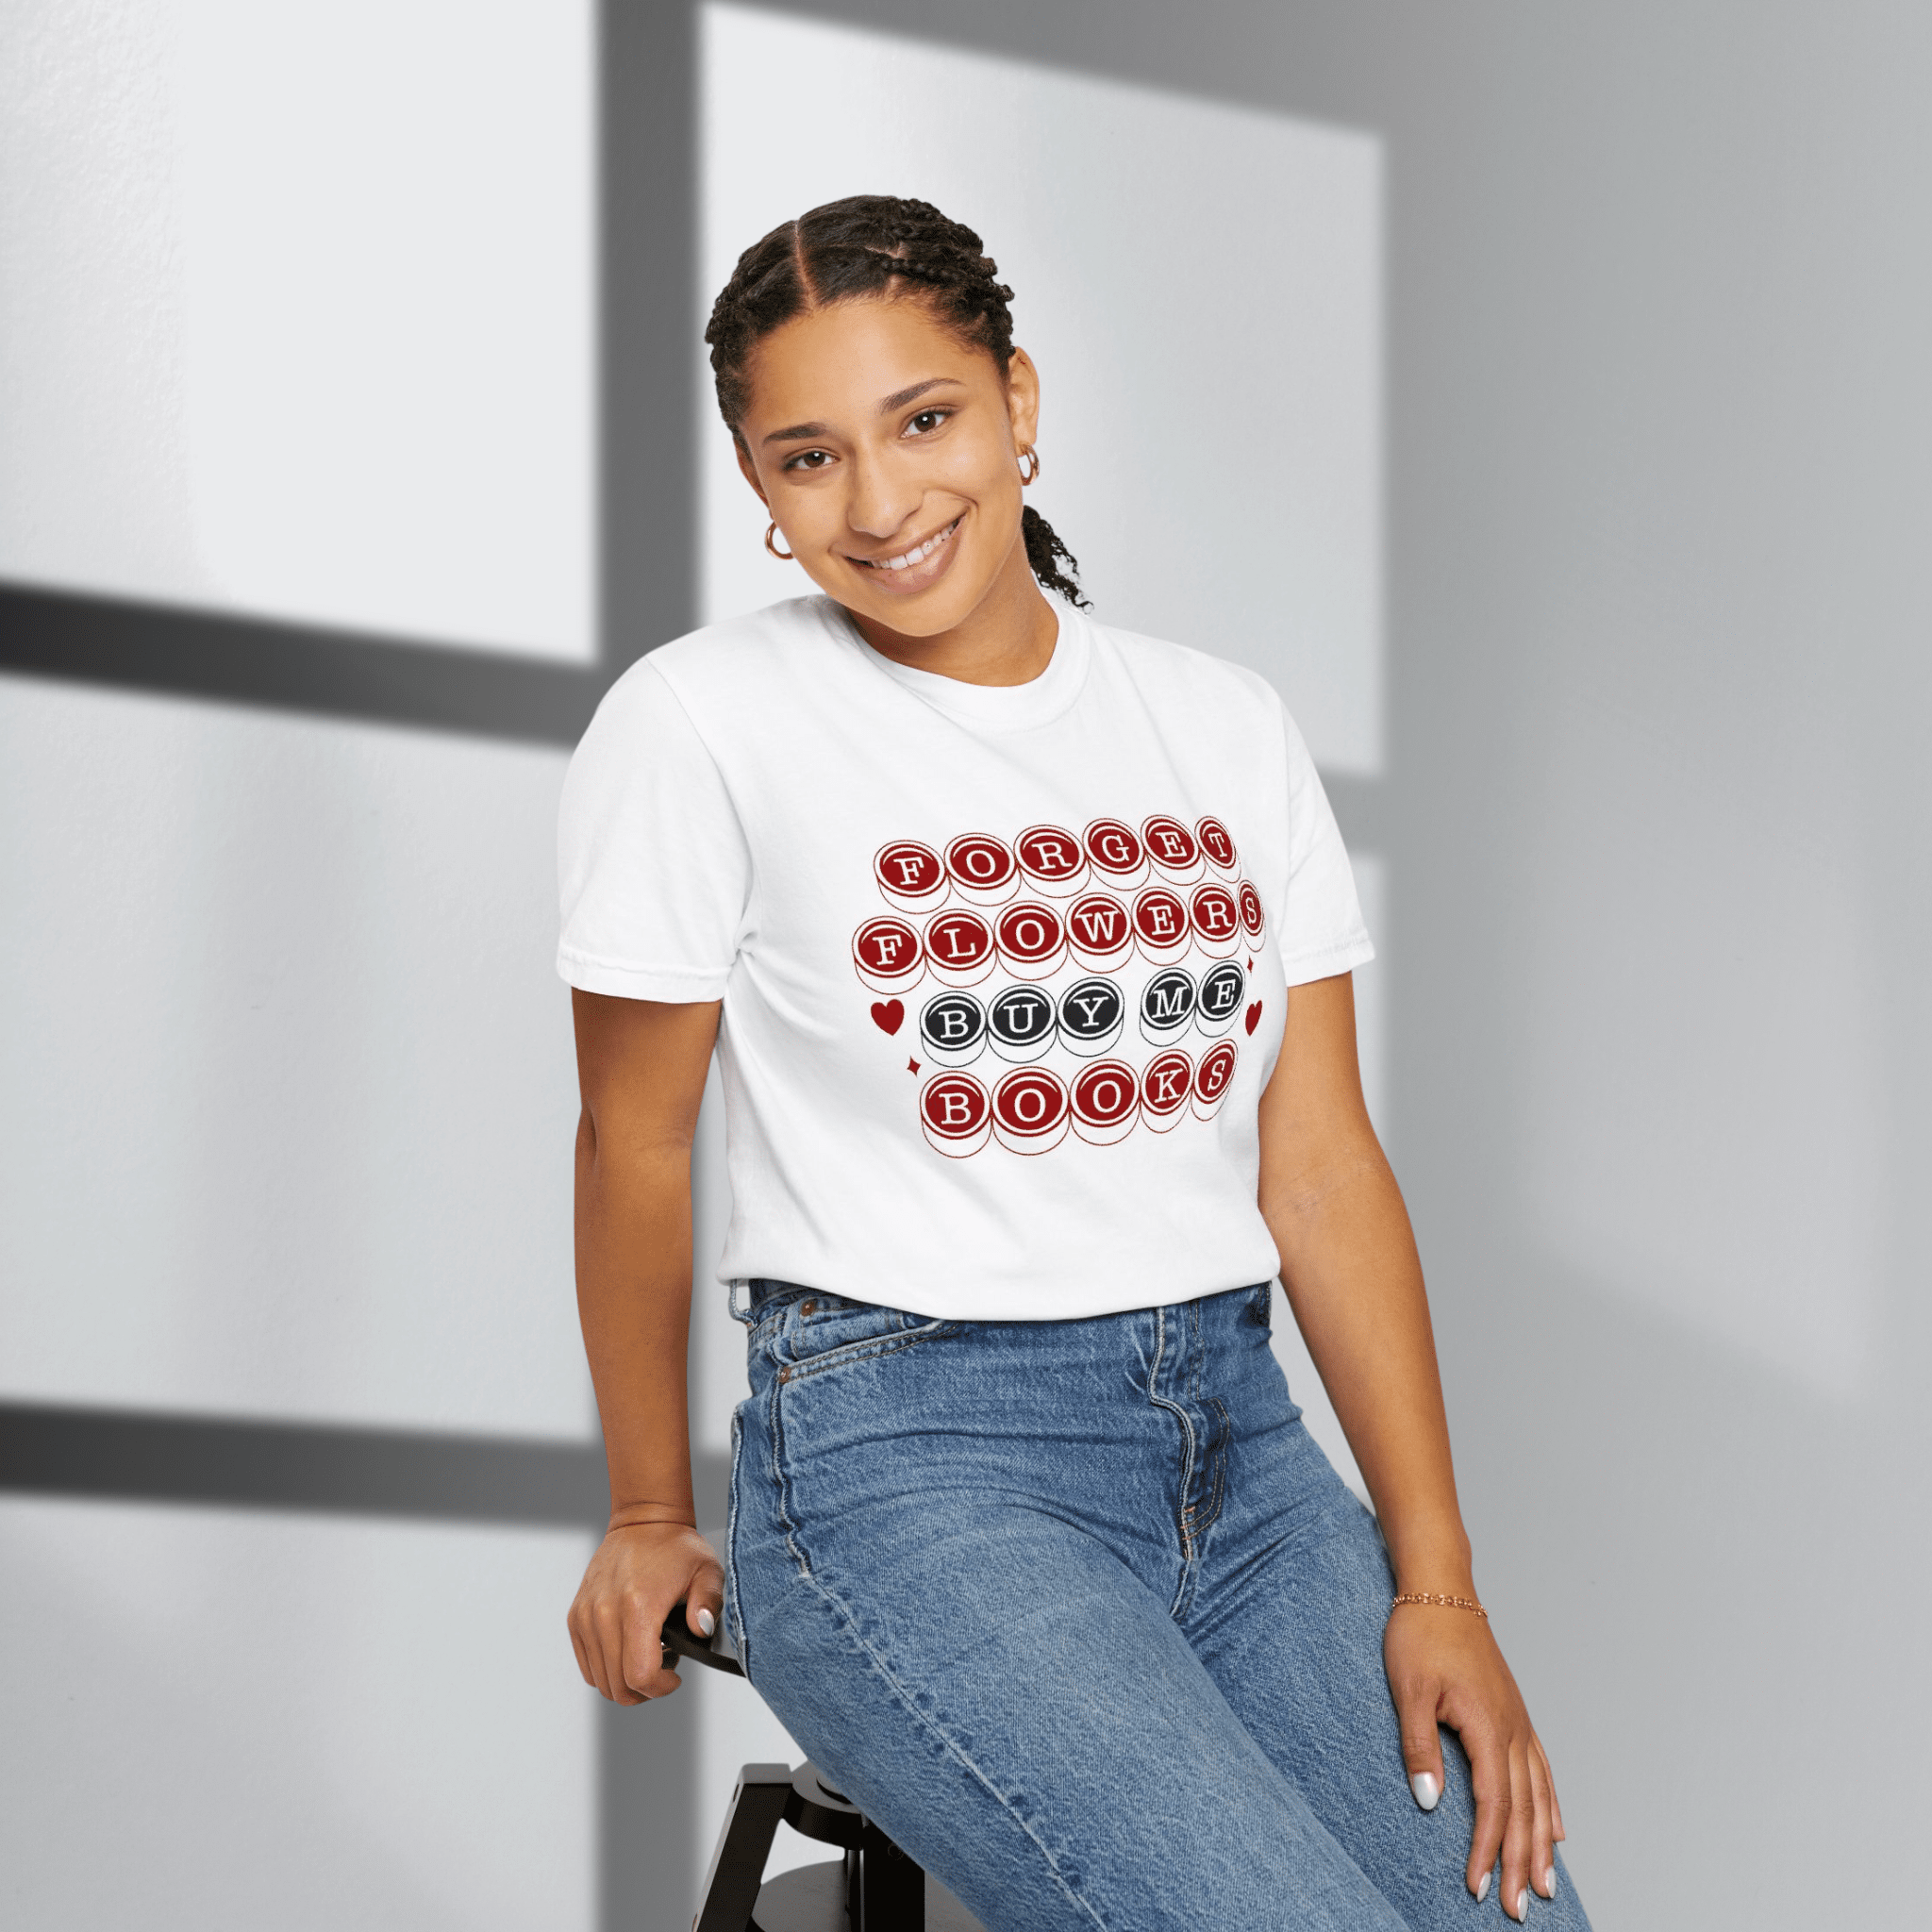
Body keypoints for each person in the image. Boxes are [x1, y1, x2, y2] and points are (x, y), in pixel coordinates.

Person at [557, 194, 1589, 1931]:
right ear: (757, 485)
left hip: (1242, 1456)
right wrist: (652, 1505)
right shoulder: (701, 722)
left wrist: (1440, 1585)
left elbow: (1321, 1165)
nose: (879, 505)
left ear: (1019, 399)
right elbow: (634, 1141)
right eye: (807, 458)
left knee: (1519, 1920)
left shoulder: (1221, 724)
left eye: (927, 421)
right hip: (905, 1469)